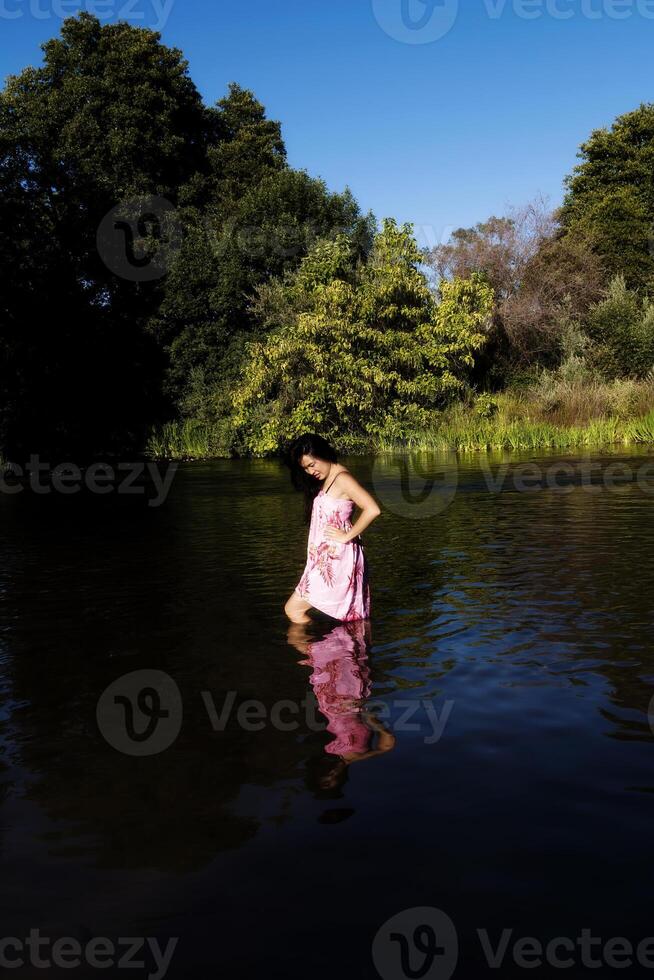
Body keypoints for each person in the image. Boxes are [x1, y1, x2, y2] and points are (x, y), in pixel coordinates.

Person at [283, 433, 381, 624]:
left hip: (338, 558)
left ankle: (314, 651)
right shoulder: (328, 478)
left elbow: (372, 509)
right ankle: (339, 649)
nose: (310, 471)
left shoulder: (342, 479)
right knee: (350, 618)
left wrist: (346, 536)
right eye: (306, 468)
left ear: (323, 453)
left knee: (293, 610)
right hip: (325, 560)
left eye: (312, 464)